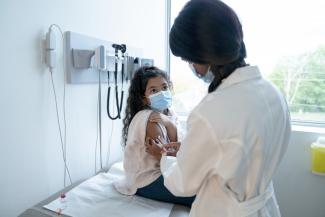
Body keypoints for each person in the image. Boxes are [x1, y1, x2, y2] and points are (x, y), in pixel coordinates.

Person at [145, 0, 291, 217]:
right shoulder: (274, 94)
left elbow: (181, 184)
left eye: (190, 61)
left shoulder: (212, 111)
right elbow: (235, 151)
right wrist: (188, 149)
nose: (192, 67)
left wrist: (166, 157)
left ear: (207, 55)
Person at [113, 66, 195, 207]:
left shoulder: (169, 114)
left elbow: (174, 153)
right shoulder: (150, 119)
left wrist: (170, 124)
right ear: (144, 99)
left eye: (164, 87)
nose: (162, 93)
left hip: (167, 170)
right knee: (200, 195)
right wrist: (171, 132)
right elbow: (168, 155)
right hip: (148, 180)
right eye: (154, 90)